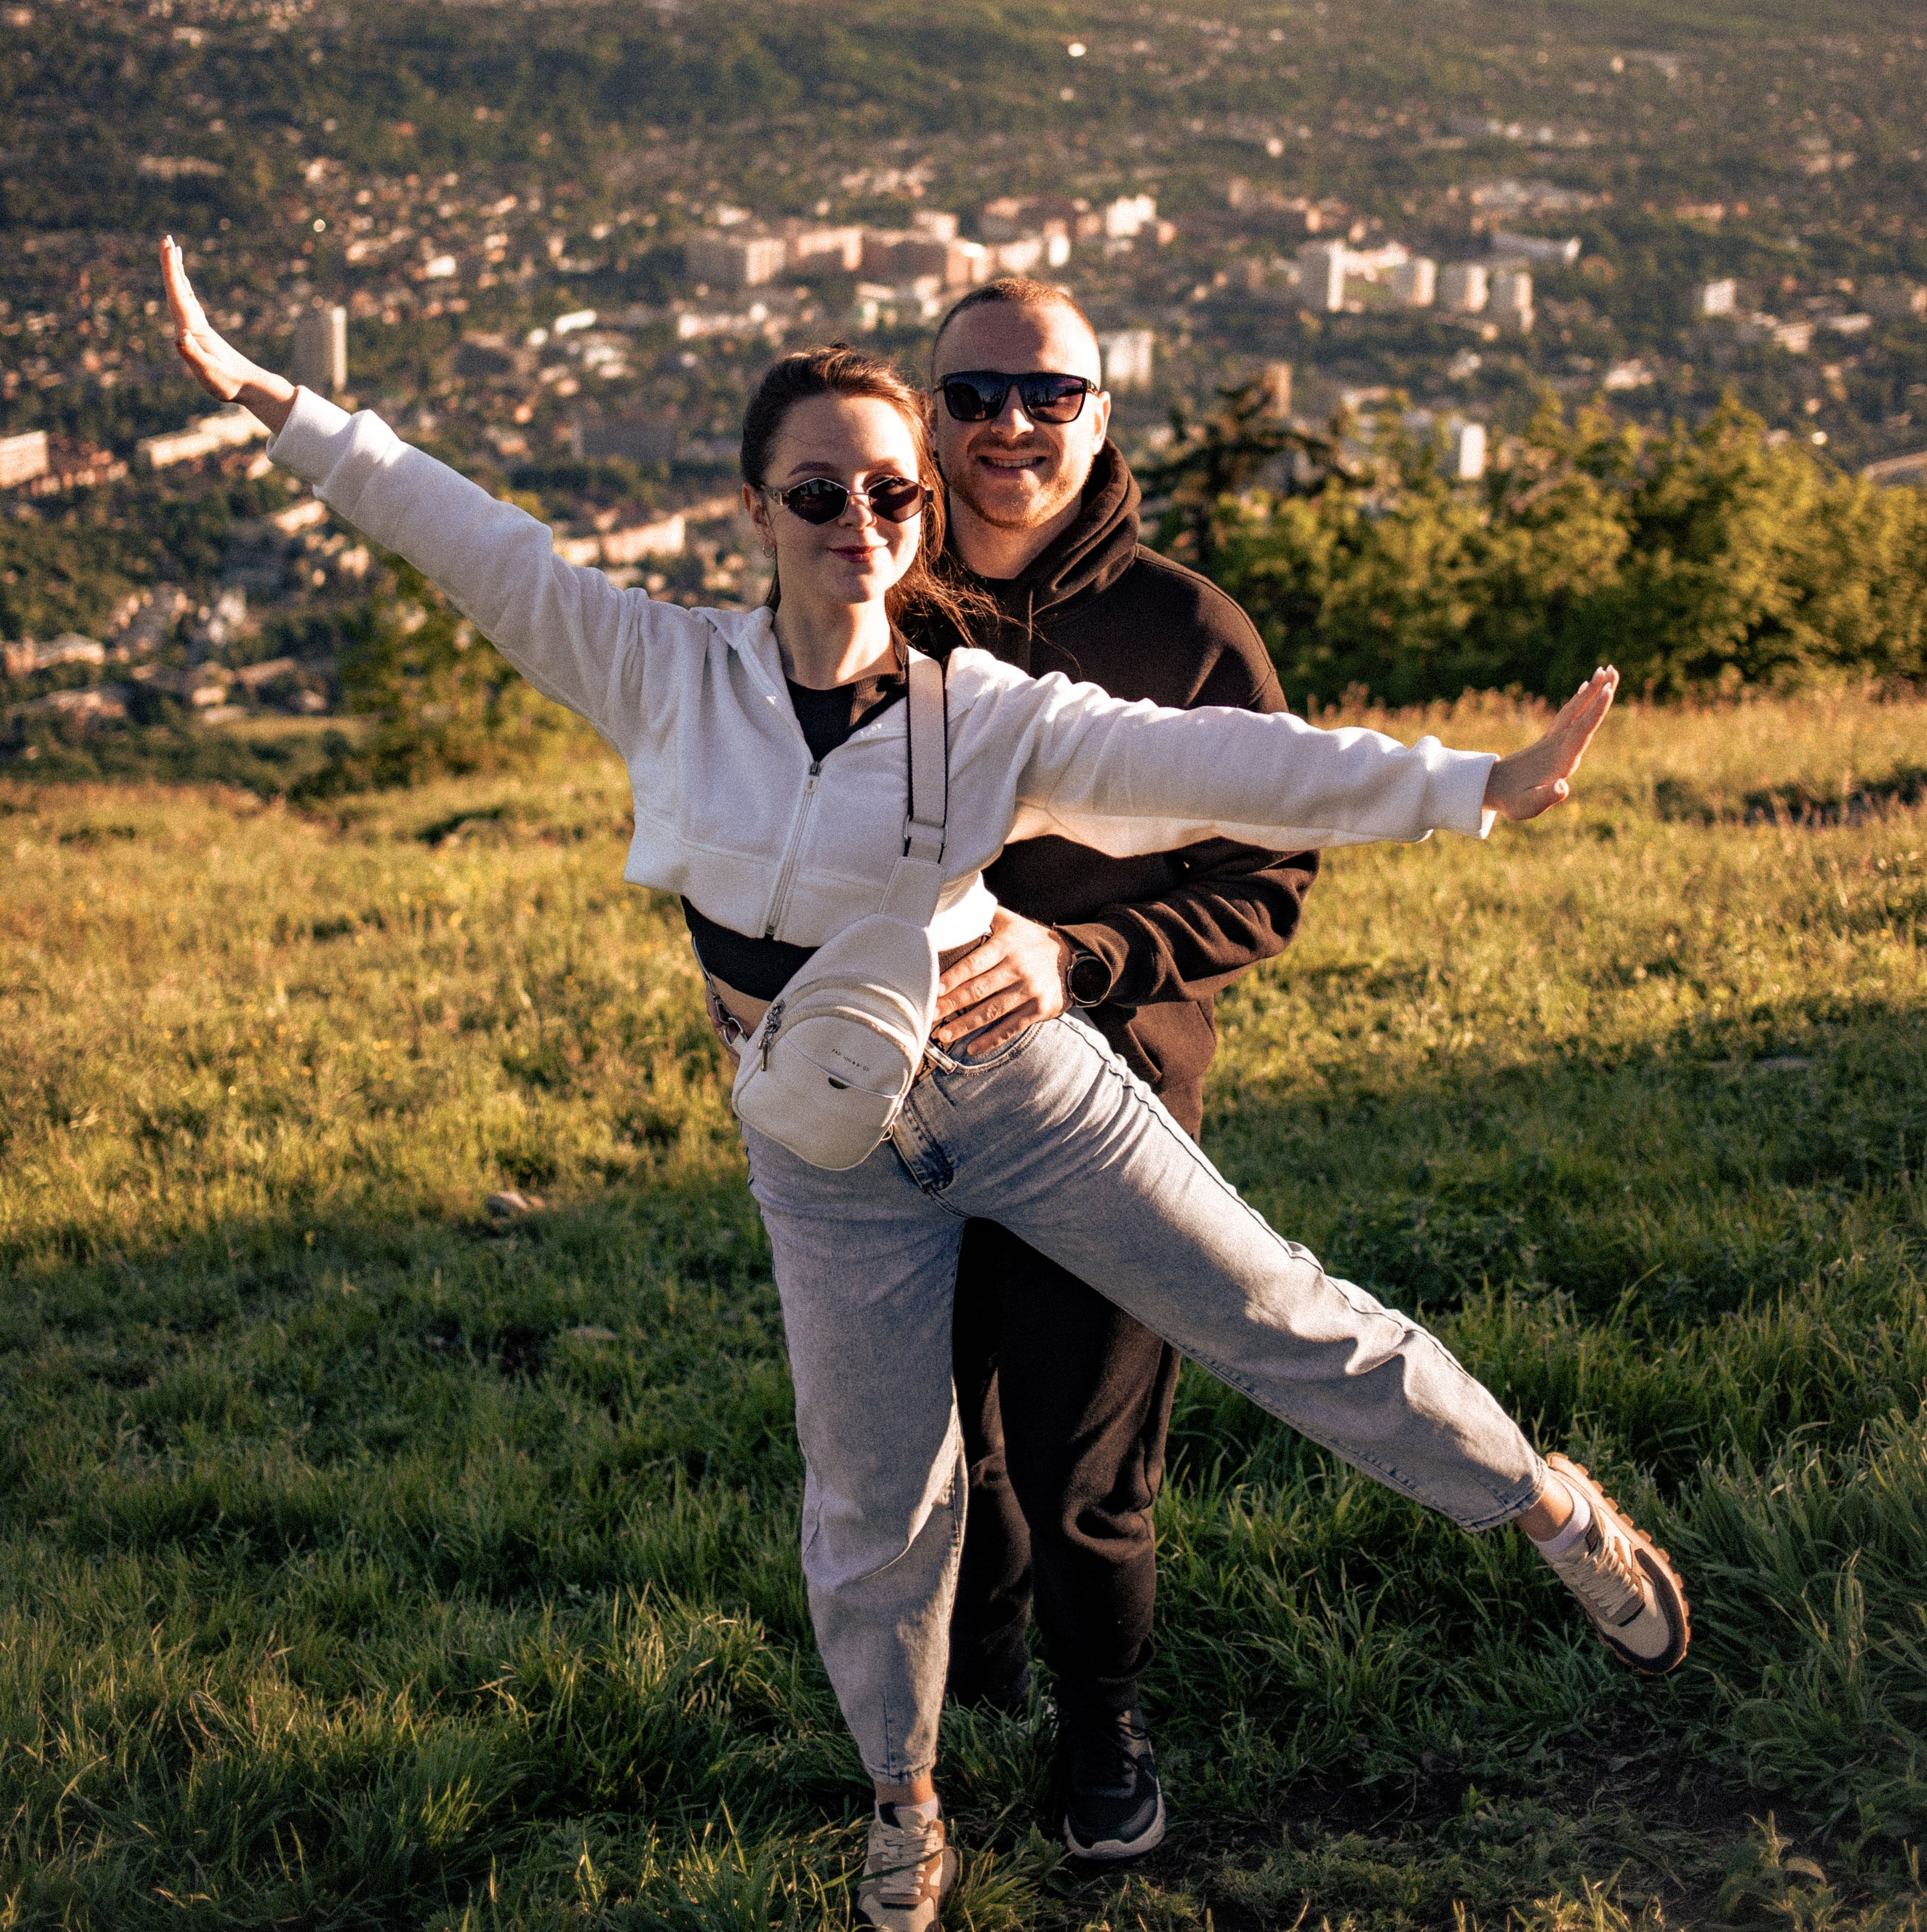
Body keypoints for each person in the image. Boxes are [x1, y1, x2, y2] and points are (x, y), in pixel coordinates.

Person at [160, 239, 1689, 1932]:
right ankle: (903, 1797)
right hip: (822, 1151)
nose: (858, 517)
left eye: (888, 489)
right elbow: (469, 536)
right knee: (876, 1491)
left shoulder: (991, 714)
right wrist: (271, 401)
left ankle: (1543, 1506)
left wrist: (1471, 786)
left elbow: (1231, 765)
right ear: (753, 510)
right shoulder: (661, 677)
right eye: (816, 488)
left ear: (917, 510)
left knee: (1281, 1317)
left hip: (1025, 1094)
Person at [919, 276, 1316, 1861]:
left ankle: (1099, 1717)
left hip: (1108, 1100)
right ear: (928, 408)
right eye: (973, 394)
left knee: (1084, 1443)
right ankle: (981, 1651)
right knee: (941, 1433)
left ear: (1100, 408)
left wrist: (1081, 960)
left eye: (1048, 394)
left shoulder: (1187, 629)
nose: (1009, 425)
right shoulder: (876, 599)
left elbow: (1270, 873)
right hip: (898, 1107)